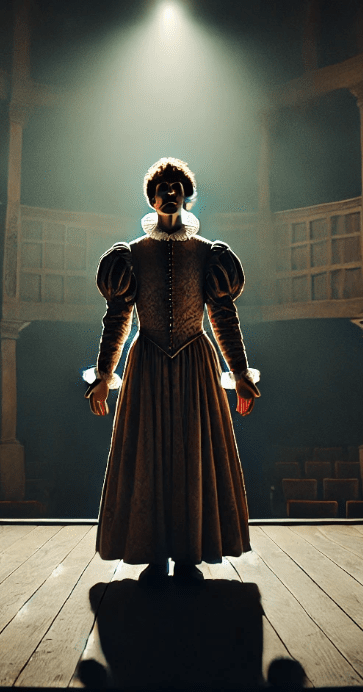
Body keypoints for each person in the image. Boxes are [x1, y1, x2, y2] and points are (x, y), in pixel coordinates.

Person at [84, 157, 260, 584]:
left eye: (176, 186)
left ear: (186, 195)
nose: (169, 192)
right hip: (146, 363)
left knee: (192, 455)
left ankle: (188, 553)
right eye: (162, 186)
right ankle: (152, 551)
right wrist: (104, 375)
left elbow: (223, 317)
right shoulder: (131, 256)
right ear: (151, 196)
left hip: (195, 364)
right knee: (148, 455)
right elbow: (117, 320)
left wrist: (239, 372)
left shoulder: (208, 254)